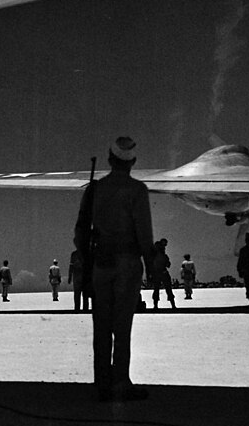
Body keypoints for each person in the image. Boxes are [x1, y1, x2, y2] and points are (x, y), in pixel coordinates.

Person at [74, 136, 154, 401]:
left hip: (101, 264)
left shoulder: (95, 189)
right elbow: (144, 234)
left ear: (109, 159)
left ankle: (102, 384)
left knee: (101, 326)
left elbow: (81, 231)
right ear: (133, 162)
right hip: (128, 264)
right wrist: (151, 265)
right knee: (122, 327)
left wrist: (87, 261)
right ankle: (120, 382)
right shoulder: (137, 190)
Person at [151, 238, 175, 310]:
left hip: (156, 273)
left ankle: (155, 306)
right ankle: (172, 305)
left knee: (156, 289)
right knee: (168, 289)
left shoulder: (154, 256)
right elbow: (168, 265)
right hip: (163, 273)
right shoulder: (162, 256)